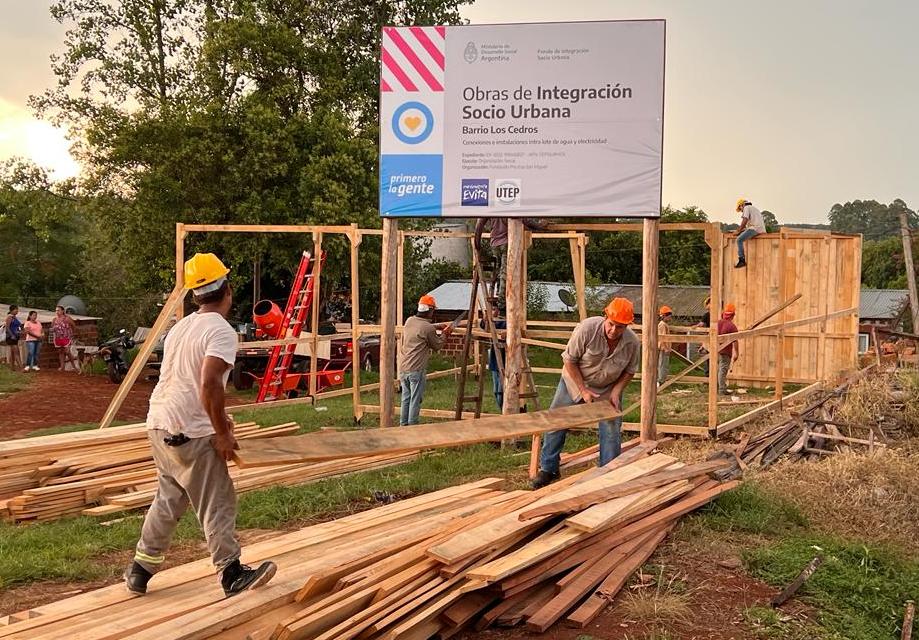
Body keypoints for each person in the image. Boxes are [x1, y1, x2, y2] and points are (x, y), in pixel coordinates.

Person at [124, 253, 276, 598]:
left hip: (159, 424)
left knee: (169, 498)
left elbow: (183, 380)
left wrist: (218, 420)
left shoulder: (182, 327)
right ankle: (231, 573)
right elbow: (208, 383)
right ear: (228, 290)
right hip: (189, 432)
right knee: (217, 500)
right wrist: (221, 434)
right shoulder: (220, 331)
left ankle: (140, 568)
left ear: (195, 295)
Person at [532, 297, 639, 489]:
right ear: (605, 317)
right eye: (612, 325)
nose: (614, 331)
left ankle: (608, 471)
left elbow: (630, 371)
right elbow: (569, 360)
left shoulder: (632, 342)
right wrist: (583, 389)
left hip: (608, 386)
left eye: (621, 327)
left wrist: (616, 392)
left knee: (611, 426)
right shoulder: (587, 329)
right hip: (574, 381)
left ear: (627, 325)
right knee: (557, 420)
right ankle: (548, 468)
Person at [398, 294, 453, 425]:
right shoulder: (427, 328)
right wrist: (445, 334)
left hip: (403, 368)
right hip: (416, 370)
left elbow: (422, 327)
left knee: (406, 398)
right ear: (430, 310)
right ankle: (413, 427)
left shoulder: (409, 321)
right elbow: (437, 345)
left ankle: (403, 426)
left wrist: (437, 326)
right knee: (415, 400)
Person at [474, 218, 546, 298]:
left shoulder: (491, 208)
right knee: (506, 272)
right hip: (507, 242)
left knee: (499, 270)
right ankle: (502, 302)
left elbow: (479, 224)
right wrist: (540, 225)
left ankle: (499, 295)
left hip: (495, 243)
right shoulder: (511, 207)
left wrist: (477, 244)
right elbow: (526, 220)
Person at [483, 301, 507, 411]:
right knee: (496, 390)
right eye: (490, 310)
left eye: (493, 309)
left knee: (502, 390)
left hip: (505, 359)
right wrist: (485, 318)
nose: (492, 312)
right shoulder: (491, 322)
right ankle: (501, 409)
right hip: (494, 359)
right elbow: (484, 326)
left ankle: (504, 410)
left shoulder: (503, 322)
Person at [734, 198, 766, 268]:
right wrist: (741, 230)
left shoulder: (746, 208)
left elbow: (745, 220)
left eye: (740, 209)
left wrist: (738, 231)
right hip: (760, 229)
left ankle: (741, 260)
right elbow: (749, 225)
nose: (741, 211)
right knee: (741, 235)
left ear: (741, 205)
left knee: (739, 240)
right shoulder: (753, 208)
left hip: (755, 228)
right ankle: (741, 260)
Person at [717, 303, 739, 394]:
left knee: (717, 369)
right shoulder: (732, 326)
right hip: (725, 351)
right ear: (733, 315)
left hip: (715, 350)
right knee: (723, 369)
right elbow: (735, 341)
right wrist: (736, 353)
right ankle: (722, 389)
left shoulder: (717, 323)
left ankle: (717, 387)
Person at [51, 306, 80, 373]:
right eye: (56, 310)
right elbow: (52, 328)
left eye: (58, 310)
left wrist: (72, 334)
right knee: (60, 351)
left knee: (67, 351)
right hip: (58, 337)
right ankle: (62, 366)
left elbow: (73, 326)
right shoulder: (54, 319)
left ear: (62, 311)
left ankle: (74, 366)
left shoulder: (67, 318)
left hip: (66, 337)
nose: (57, 312)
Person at [3, 305, 23, 371]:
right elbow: (7, 327)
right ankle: (21, 368)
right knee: (17, 352)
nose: (17, 311)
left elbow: (17, 326)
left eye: (17, 309)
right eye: (16, 309)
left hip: (15, 336)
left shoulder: (15, 317)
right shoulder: (9, 317)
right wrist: (12, 335)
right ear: (12, 310)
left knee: (13, 353)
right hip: (11, 337)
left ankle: (12, 367)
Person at [657, 306, 673, 387]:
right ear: (664, 316)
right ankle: (661, 381)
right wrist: (666, 348)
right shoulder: (662, 325)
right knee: (662, 364)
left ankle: (662, 379)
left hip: (665, 348)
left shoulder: (664, 324)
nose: (670, 318)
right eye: (669, 317)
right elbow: (662, 337)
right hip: (663, 348)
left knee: (664, 364)